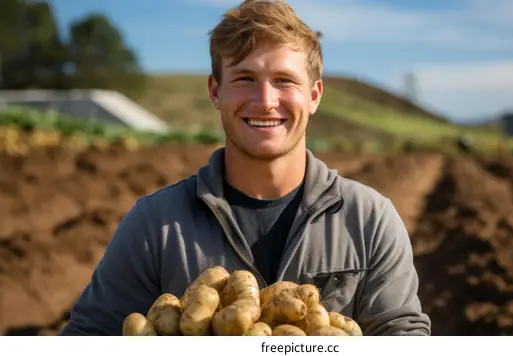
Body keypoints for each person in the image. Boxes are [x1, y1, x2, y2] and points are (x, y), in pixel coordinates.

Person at [59, 0, 431, 336]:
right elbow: (89, 337)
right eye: (244, 79)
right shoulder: (155, 226)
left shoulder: (370, 221)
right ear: (215, 91)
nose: (265, 101)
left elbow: (403, 336)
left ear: (314, 95)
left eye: (284, 81)